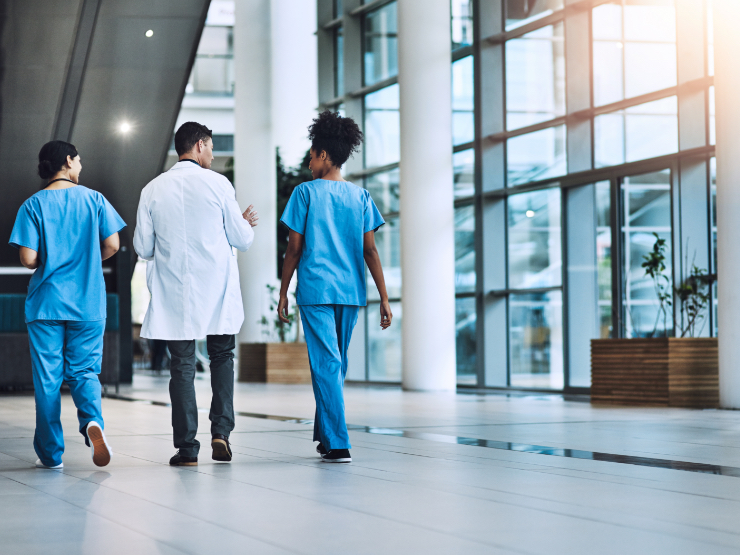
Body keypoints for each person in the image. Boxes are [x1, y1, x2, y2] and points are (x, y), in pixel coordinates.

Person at [133, 121, 258, 466]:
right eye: (212, 148)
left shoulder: (152, 189)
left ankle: (187, 449)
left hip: (176, 293)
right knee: (222, 358)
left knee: (182, 367)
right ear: (200, 145)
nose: (213, 155)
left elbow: (143, 247)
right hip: (217, 291)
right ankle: (221, 432)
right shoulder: (219, 184)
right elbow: (242, 238)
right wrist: (244, 223)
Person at [278, 110, 392, 463]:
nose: (310, 163)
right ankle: (327, 436)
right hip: (351, 292)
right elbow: (370, 250)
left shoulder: (304, 193)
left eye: (312, 156)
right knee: (335, 365)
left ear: (323, 155)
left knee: (327, 365)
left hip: (315, 291)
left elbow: (294, 249)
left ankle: (339, 443)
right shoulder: (361, 198)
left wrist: (283, 291)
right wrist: (384, 299)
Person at [9, 140, 125, 469]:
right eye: (79, 160)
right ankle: (92, 424)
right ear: (68, 161)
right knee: (84, 371)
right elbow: (113, 245)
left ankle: (50, 454)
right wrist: (86, 258)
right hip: (87, 301)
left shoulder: (32, 205)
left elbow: (28, 257)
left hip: (46, 304)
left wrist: (52, 260)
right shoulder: (95, 200)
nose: (81, 166)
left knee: (47, 379)